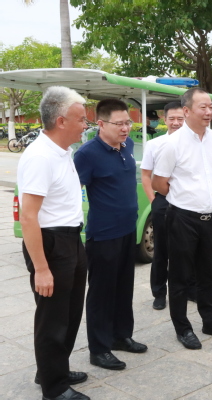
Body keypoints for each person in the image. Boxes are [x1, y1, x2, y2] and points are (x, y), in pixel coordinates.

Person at [19, 87, 90, 400]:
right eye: (81, 119)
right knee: (53, 317)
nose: (86, 124)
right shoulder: (40, 157)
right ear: (61, 121)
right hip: (51, 243)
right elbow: (28, 217)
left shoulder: (63, 152)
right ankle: (55, 388)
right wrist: (41, 268)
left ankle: (52, 368)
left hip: (71, 238)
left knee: (70, 312)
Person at [153, 88, 212, 350]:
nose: (209, 112)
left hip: (210, 219)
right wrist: (182, 197)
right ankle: (183, 328)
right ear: (187, 111)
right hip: (182, 219)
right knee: (180, 277)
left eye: (210, 107)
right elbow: (158, 182)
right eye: (203, 107)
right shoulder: (172, 144)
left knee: (207, 274)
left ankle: (210, 321)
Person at [74, 99, 147, 371]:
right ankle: (99, 349)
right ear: (101, 124)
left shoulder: (127, 147)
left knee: (123, 288)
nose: (126, 128)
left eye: (128, 122)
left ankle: (121, 335)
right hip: (103, 235)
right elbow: (72, 191)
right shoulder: (87, 154)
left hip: (128, 230)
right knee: (101, 294)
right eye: (119, 124)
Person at [140, 101, 195, 311]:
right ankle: (159, 293)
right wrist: (154, 201)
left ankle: (188, 289)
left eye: (180, 118)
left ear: (186, 118)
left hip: (187, 202)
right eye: (172, 118)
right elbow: (146, 175)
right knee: (161, 249)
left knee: (186, 249)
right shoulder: (155, 144)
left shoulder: (194, 143)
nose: (176, 123)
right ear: (165, 120)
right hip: (163, 200)